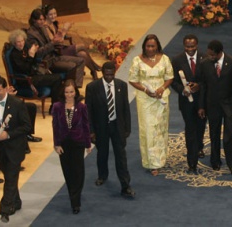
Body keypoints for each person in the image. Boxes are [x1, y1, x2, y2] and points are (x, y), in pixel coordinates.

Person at [0, 76, 31, 223]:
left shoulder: (17, 104)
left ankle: (5, 209)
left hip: (15, 147)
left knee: (10, 177)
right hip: (0, 149)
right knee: (10, 175)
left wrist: (8, 135)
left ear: (5, 88)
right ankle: (16, 202)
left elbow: (27, 127)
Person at [85, 61, 135, 198]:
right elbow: (88, 111)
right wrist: (91, 131)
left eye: (111, 74)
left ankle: (125, 185)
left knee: (121, 157)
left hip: (117, 126)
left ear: (115, 72)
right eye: (106, 75)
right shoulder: (92, 87)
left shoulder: (121, 85)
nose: (109, 77)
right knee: (102, 153)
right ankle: (102, 176)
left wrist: (127, 128)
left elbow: (125, 108)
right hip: (101, 127)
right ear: (102, 73)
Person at [197, 40, 232, 175]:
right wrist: (201, 106)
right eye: (209, 54)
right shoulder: (204, 64)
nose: (210, 57)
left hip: (230, 104)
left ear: (219, 53)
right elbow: (203, 86)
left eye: (212, 55)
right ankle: (215, 161)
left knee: (230, 135)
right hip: (212, 105)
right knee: (214, 133)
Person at [128, 34, 173, 175]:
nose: (151, 48)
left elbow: (170, 77)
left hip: (161, 98)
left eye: (153, 46)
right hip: (145, 100)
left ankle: (160, 159)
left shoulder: (164, 59)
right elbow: (132, 79)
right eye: (148, 46)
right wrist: (145, 89)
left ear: (157, 46)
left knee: (160, 128)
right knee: (148, 130)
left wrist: (162, 88)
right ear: (144, 46)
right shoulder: (137, 60)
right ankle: (151, 162)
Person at [52, 80, 92, 214]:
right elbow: (55, 126)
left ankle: (76, 201)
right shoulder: (57, 106)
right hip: (64, 144)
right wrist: (56, 144)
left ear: (76, 92)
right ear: (63, 93)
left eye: (71, 92)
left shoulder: (81, 107)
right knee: (68, 172)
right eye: (66, 92)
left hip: (78, 142)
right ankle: (72, 194)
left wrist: (88, 144)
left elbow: (86, 126)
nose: (69, 95)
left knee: (78, 172)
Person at [170, 34, 207, 174]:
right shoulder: (177, 59)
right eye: (187, 46)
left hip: (202, 100)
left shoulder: (205, 58)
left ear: (197, 45)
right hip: (186, 102)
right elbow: (173, 80)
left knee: (201, 126)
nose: (190, 49)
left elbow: (208, 80)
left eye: (192, 46)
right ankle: (192, 161)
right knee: (190, 128)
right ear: (183, 45)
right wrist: (182, 90)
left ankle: (199, 146)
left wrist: (199, 86)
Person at [26, 9, 85, 89]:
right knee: (72, 65)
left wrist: (58, 38)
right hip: (46, 61)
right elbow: (38, 53)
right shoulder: (31, 34)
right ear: (34, 20)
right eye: (40, 20)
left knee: (81, 60)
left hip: (54, 55)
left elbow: (51, 41)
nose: (42, 22)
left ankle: (76, 88)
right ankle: (67, 90)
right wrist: (52, 43)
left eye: (43, 19)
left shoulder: (43, 28)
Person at [43, 5, 101, 80]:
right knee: (82, 46)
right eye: (51, 14)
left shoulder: (53, 23)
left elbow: (59, 37)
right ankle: (95, 66)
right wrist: (64, 30)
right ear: (46, 15)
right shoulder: (45, 27)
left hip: (61, 47)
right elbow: (56, 41)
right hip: (57, 51)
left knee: (82, 54)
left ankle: (93, 71)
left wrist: (64, 31)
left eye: (55, 13)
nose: (53, 16)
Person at [8, 29, 62, 105]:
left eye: (22, 41)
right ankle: (55, 106)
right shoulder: (14, 55)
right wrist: (31, 56)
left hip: (33, 75)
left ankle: (56, 104)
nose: (21, 44)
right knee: (57, 78)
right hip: (25, 80)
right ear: (14, 43)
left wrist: (34, 53)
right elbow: (25, 70)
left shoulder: (24, 50)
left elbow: (33, 63)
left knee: (57, 77)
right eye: (18, 42)